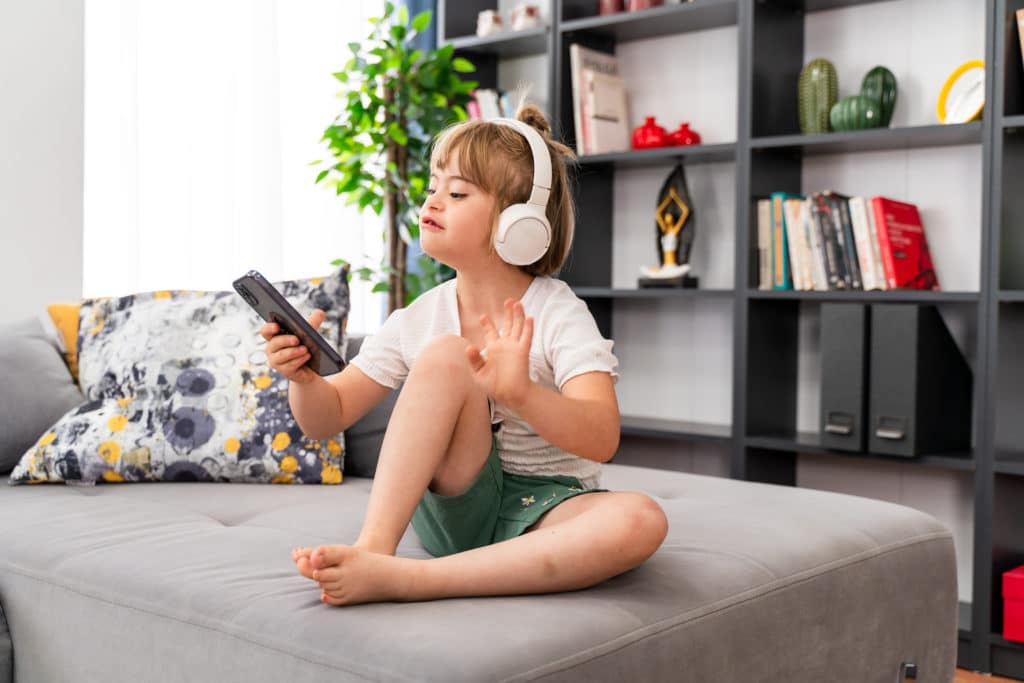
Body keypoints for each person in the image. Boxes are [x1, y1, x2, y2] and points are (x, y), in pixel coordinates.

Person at [261, 105, 668, 606]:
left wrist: (519, 393)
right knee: (448, 356)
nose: (433, 201)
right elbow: (329, 417)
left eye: (456, 193)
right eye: (434, 187)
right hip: (456, 502)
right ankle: (375, 551)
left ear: (518, 225)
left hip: (548, 507)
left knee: (641, 519)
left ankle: (411, 580)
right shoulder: (419, 317)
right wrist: (305, 380)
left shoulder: (558, 312)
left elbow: (602, 436)